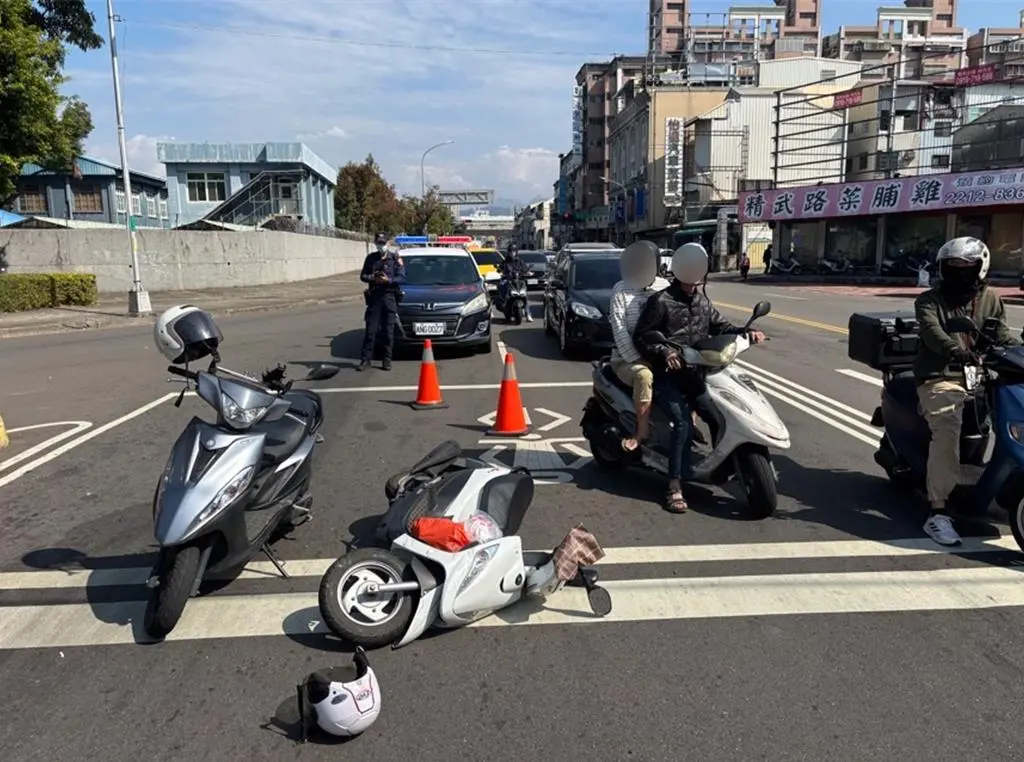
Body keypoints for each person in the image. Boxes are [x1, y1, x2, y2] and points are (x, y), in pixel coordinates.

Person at [633, 242, 766, 513]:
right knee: (682, 424)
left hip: (695, 374)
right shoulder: (660, 301)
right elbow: (642, 336)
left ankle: (725, 464)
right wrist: (665, 350)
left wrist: (747, 332)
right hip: (666, 376)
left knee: (717, 414)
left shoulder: (702, 302)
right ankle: (674, 485)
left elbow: (722, 326)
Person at [913, 236, 1018, 546]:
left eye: (966, 267)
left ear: (980, 268)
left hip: (983, 375)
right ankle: (938, 512)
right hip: (940, 376)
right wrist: (953, 349)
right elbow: (932, 332)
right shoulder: (929, 300)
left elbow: (1001, 336)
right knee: (947, 427)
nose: (959, 272)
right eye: (953, 266)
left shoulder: (992, 299)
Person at [609, 240, 670, 452]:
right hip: (626, 358)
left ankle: (689, 426)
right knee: (644, 376)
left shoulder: (665, 287)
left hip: (659, 354)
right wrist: (637, 359)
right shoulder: (621, 289)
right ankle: (641, 431)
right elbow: (618, 328)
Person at [358, 234, 405, 371]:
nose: (381, 245)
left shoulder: (395, 258)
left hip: (389, 296)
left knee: (388, 332)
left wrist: (388, 280)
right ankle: (365, 360)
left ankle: (386, 360)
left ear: (388, 243)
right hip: (375, 297)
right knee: (370, 331)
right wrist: (373, 278)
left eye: (383, 243)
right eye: (378, 243)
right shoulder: (371, 258)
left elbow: (402, 277)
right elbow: (363, 276)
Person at [499, 243, 533, 322]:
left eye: (514, 251)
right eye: (510, 251)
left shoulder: (520, 261)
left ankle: (528, 314)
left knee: (525, 296)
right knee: (505, 292)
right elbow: (500, 268)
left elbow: (526, 269)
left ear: (516, 252)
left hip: (519, 281)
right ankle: (505, 307)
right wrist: (501, 272)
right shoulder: (505, 261)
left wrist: (528, 273)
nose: (512, 253)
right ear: (508, 252)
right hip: (509, 281)